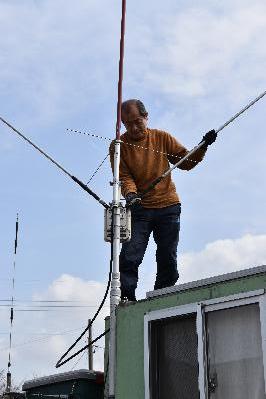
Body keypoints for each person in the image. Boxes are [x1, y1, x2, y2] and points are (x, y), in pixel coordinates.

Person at [110, 99, 217, 301]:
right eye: (127, 124)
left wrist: (203, 146)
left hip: (168, 206)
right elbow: (124, 177)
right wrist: (131, 194)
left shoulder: (161, 137)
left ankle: (162, 295)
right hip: (139, 208)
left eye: (137, 121)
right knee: (130, 255)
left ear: (145, 117)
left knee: (167, 255)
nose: (133, 128)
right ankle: (126, 298)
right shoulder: (118, 147)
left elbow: (186, 161)